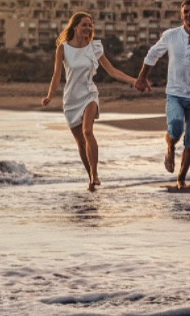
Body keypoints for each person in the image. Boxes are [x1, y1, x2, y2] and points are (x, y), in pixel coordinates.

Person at [41, 11, 139, 190]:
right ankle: (90, 179)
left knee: (87, 132)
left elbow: (112, 71)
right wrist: (50, 95)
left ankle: (95, 174)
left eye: (90, 25)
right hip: (71, 99)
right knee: (80, 142)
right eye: (84, 25)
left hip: (89, 95)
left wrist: (134, 81)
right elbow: (57, 74)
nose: (88, 28)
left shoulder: (95, 48)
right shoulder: (63, 48)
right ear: (75, 27)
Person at [135, 0, 190, 189]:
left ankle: (181, 178)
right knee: (175, 127)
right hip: (174, 93)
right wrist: (142, 78)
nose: (189, 15)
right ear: (181, 14)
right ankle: (170, 146)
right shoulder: (170, 35)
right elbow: (152, 55)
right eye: (186, 12)